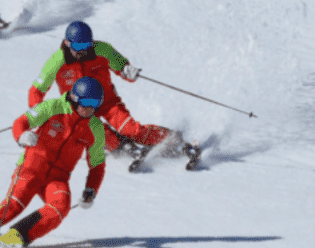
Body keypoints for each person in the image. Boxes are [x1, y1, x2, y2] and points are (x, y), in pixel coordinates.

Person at [0, 77, 107, 248]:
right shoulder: (53, 107)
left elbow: (97, 164)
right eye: (86, 102)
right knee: (10, 209)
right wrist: (22, 136)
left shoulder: (96, 129)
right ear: (74, 98)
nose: (89, 108)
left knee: (60, 207)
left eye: (94, 103)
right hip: (31, 168)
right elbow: (22, 122)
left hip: (58, 178)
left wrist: (91, 190)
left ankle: (16, 236)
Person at [28, 21, 200, 162]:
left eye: (86, 44)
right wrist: (38, 114)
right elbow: (36, 90)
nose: (82, 50)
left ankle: (172, 139)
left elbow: (123, 67)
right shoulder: (56, 62)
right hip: (79, 109)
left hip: (106, 100)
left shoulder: (102, 49)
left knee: (132, 130)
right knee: (93, 129)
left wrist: (128, 71)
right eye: (78, 45)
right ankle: (122, 146)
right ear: (67, 43)